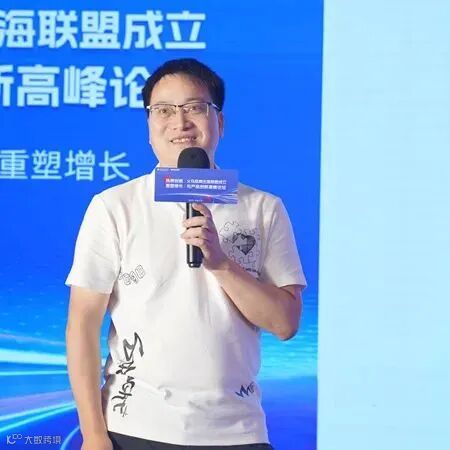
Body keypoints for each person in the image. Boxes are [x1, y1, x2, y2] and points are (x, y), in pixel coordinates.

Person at [65, 58, 307, 450]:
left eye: (195, 108)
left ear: (219, 122)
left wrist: (222, 264)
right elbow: (82, 324)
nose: (180, 122)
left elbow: (285, 323)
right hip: (135, 426)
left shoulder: (263, 208)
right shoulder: (115, 207)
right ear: (149, 126)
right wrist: (93, 433)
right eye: (163, 110)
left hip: (238, 429)